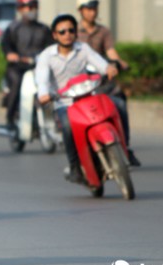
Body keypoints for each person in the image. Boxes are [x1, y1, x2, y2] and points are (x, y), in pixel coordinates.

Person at [35, 13, 118, 183]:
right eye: (62, 32)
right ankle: (74, 167)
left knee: (116, 106)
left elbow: (99, 62)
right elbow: (42, 80)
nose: (67, 35)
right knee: (67, 126)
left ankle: (124, 150)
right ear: (55, 35)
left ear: (75, 33)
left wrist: (108, 68)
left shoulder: (83, 49)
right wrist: (43, 94)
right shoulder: (46, 56)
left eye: (71, 31)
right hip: (64, 103)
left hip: (88, 98)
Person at [75, 0, 139, 166]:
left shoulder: (103, 31)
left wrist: (118, 63)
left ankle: (125, 146)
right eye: (88, 9)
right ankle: (77, 157)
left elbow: (111, 52)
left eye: (94, 9)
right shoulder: (73, 32)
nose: (92, 12)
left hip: (102, 81)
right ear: (80, 11)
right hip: (81, 85)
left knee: (120, 105)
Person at [0, 0, 53, 131]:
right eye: (26, 7)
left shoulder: (44, 29)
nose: (30, 10)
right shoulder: (13, 27)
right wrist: (10, 54)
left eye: (33, 6)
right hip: (18, 67)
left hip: (39, 67)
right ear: (20, 9)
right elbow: (5, 45)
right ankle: (10, 119)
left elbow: (52, 47)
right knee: (16, 84)